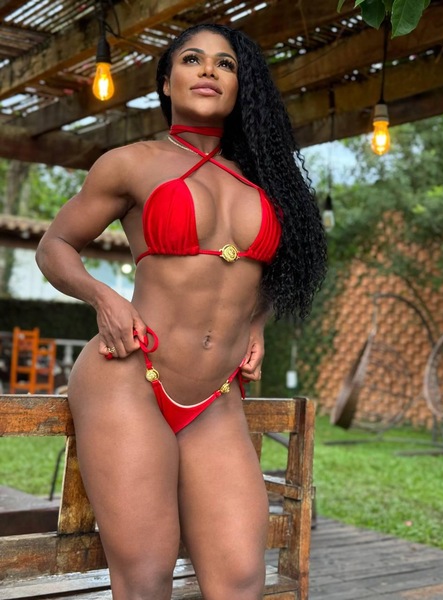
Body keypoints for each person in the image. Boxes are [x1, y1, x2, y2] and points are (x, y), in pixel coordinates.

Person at [36, 23, 327, 600]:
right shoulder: (132, 163)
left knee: (240, 578)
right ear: (167, 83)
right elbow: (55, 246)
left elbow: (275, 274)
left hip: (215, 396)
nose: (209, 70)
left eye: (226, 63)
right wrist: (104, 297)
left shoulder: (267, 182)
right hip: (131, 376)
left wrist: (257, 324)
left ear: (241, 87)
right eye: (192, 59)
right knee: (146, 578)